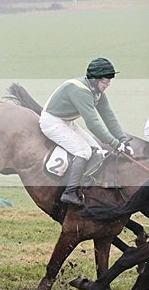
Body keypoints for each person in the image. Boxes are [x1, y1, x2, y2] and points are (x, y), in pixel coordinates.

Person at [39, 57, 133, 207]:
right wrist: (114, 143)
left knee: (97, 150)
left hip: (66, 121)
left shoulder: (97, 91)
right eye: (105, 81)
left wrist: (123, 139)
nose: (108, 84)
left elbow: (109, 117)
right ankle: (69, 192)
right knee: (83, 152)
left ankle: (85, 182)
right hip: (52, 122)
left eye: (109, 81)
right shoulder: (81, 91)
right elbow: (93, 124)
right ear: (94, 79)